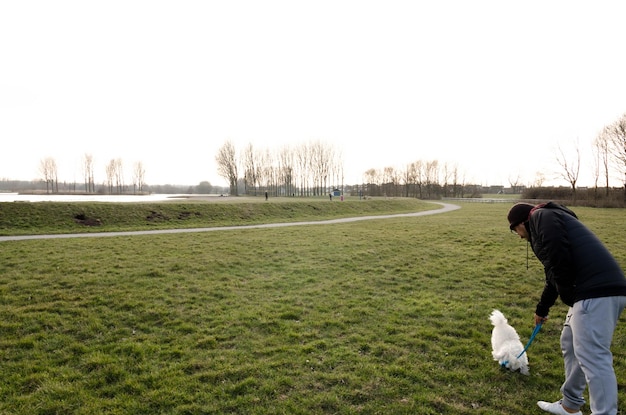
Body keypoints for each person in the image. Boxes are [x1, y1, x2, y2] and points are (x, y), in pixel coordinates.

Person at [507, 201, 626, 415]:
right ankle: (570, 405)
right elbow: (553, 271)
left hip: (596, 291)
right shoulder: (548, 220)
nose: (518, 236)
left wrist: (568, 295)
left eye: (515, 229)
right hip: (595, 290)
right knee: (570, 342)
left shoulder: (541, 217)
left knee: (594, 357)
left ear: (522, 222)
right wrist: (542, 309)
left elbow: (558, 255)